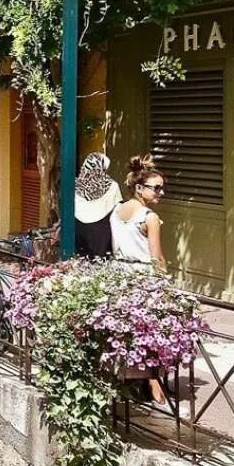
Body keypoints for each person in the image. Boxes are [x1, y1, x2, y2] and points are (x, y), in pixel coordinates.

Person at [112, 155, 177, 408]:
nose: (161, 192)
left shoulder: (117, 211)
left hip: (119, 275)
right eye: (156, 187)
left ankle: (125, 381)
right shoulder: (149, 216)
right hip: (142, 279)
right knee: (152, 332)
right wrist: (166, 282)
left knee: (124, 332)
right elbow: (156, 256)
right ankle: (153, 382)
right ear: (139, 188)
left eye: (162, 187)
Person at [74, 152, 120, 260]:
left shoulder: (75, 185)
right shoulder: (113, 186)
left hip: (78, 228)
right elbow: (116, 208)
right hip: (101, 232)